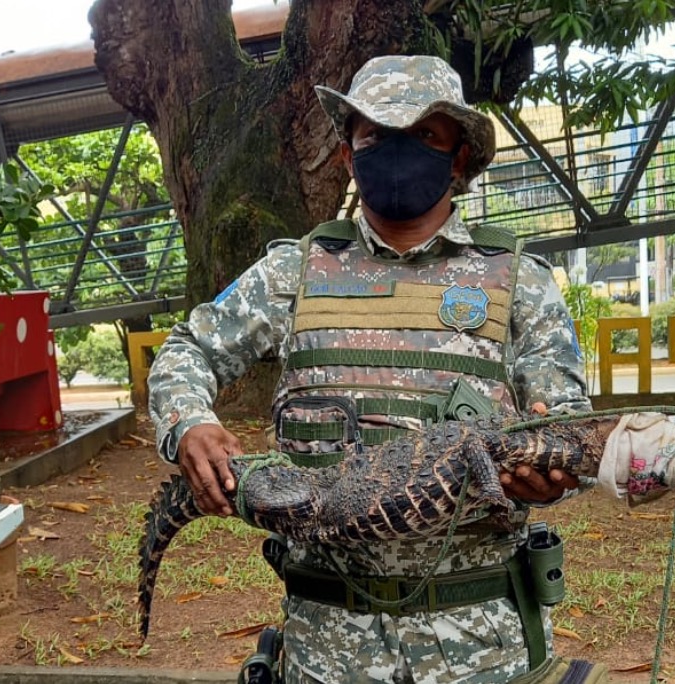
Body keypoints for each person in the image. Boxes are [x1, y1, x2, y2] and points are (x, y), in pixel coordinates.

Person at [149, 55, 602, 684]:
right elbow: (186, 350)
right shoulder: (294, 273)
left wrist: (555, 473)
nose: (395, 152)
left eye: (423, 136)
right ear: (346, 155)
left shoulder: (519, 280)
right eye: (375, 136)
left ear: (460, 157)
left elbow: (572, 424)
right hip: (327, 647)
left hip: (480, 646)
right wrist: (189, 423)